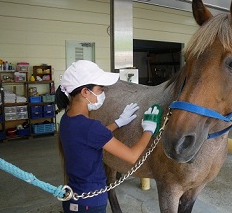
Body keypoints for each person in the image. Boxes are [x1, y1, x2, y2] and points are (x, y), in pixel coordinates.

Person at [55, 60, 161, 213]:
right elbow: (132, 156)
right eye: (100, 89)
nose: (102, 94)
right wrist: (148, 130)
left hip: (72, 198)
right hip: (91, 203)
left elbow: (91, 137)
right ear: (85, 92)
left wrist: (118, 122)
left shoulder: (67, 119)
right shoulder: (91, 127)